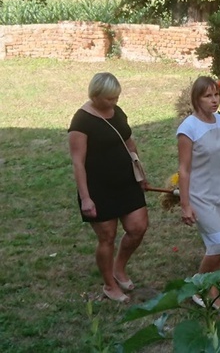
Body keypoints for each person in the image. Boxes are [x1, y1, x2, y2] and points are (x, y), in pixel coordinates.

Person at [68, 72, 149, 303]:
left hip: (126, 182)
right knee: (107, 237)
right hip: (99, 188)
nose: (114, 102)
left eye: (116, 97)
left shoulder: (118, 112)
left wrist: (140, 173)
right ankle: (109, 285)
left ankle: (119, 267)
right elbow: (77, 162)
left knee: (138, 227)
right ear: (95, 95)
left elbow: (129, 142)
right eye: (109, 98)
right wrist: (86, 198)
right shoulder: (81, 121)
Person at [177, 76, 220, 312]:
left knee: (217, 246)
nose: (214, 100)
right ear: (196, 99)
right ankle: (200, 287)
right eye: (207, 96)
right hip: (201, 195)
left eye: (216, 95)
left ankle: (211, 286)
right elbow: (184, 168)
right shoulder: (188, 128)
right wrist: (185, 204)